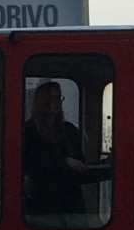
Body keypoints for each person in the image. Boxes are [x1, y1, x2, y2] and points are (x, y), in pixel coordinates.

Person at [23, 82, 87, 218]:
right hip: (43, 198)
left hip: (71, 198)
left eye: (59, 98)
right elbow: (30, 162)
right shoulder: (29, 130)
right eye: (52, 98)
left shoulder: (69, 131)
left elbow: (81, 165)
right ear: (42, 101)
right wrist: (64, 161)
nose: (57, 102)